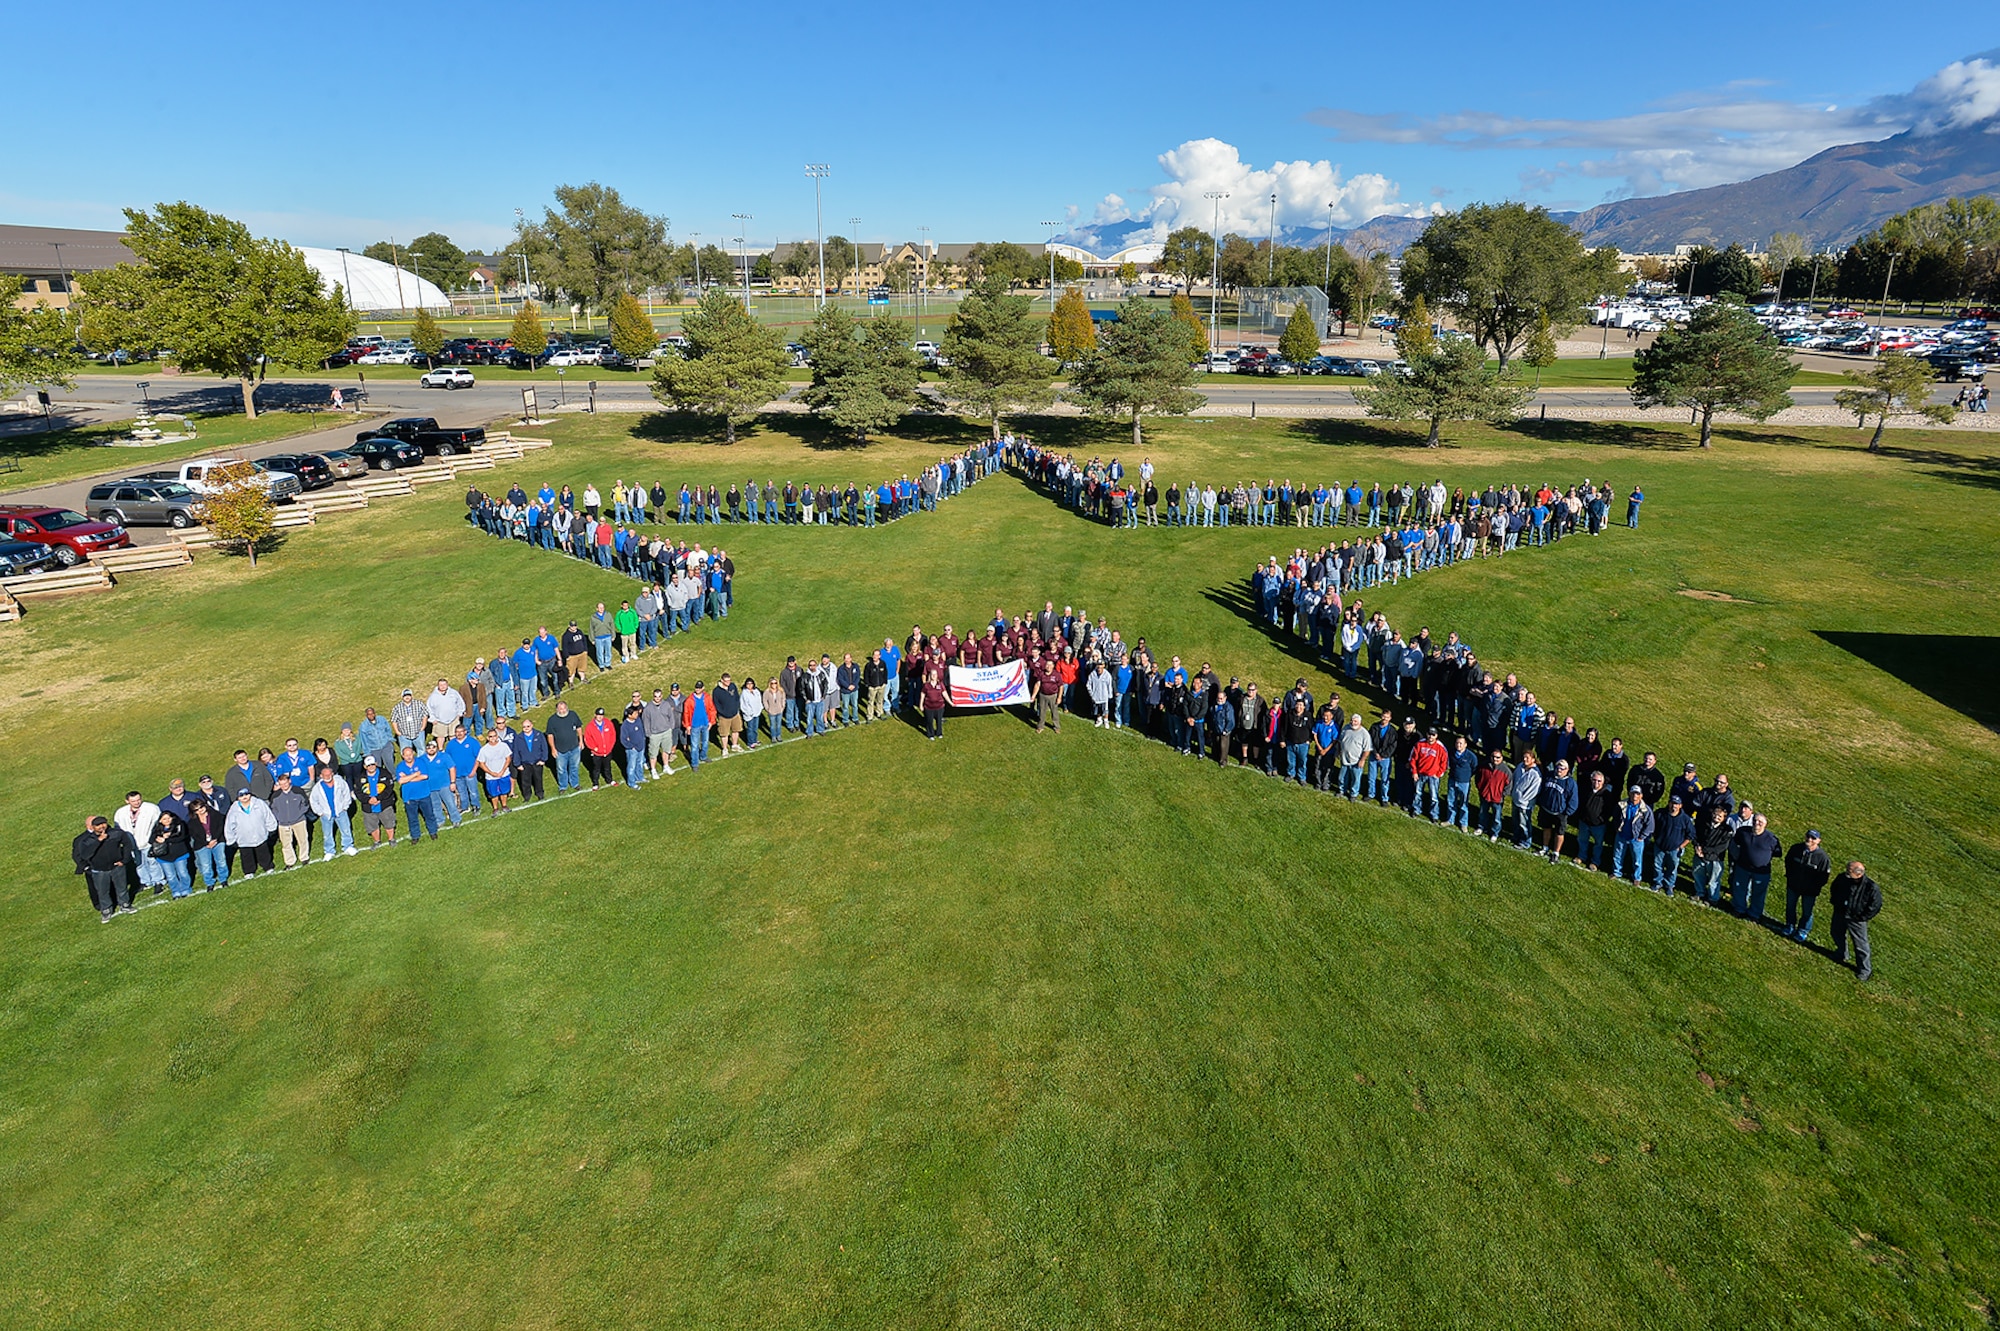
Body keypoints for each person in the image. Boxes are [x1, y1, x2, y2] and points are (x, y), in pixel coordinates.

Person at [74, 816, 141, 919]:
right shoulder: (87, 840)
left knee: (121, 887)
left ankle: (125, 905)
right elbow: (85, 855)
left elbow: (127, 844)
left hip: (116, 867)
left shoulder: (116, 833)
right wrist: (99, 841)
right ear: (93, 827)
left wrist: (124, 860)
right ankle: (106, 910)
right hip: (99, 870)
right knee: (102, 891)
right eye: (98, 825)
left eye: (103, 823)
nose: (101, 826)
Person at [1829, 861, 1882, 980]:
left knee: (1860, 945)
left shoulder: (1871, 887)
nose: (1846, 874)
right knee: (1836, 932)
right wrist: (1836, 902)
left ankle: (1865, 970)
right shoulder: (1842, 878)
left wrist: (1862, 917)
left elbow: (1875, 905)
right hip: (1841, 912)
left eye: (1849, 872)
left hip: (1856, 919)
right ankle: (1841, 953)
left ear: (1859, 874)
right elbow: (1834, 888)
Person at [1782, 829, 1832, 943]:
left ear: (1819, 841)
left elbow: (1824, 877)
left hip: (1810, 891)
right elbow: (1788, 861)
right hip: (1793, 885)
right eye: (1808, 836)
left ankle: (1803, 930)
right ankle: (1790, 925)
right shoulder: (1796, 849)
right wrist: (1790, 876)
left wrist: (1814, 886)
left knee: (1807, 911)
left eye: (1813, 838)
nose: (1809, 840)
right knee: (1790, 906)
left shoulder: (1823, 858)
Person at [1730, 812, 1780, 922]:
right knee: (1739, 889)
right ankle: (1739, 909)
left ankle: (1754, 914)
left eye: (1760, 822)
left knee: (1758, 893)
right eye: (1755, 820)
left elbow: (1777, 853)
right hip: (1743, 867)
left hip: (1761, 872)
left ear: (1765, 824)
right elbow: (1735, 842)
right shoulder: (1743, 831)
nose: (1757, 823)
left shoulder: (1771, 839)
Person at [225, 788, 278, 877]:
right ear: (238, 798)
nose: (244, 797)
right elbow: (229, 826)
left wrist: (272, 828)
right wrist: (231, 839)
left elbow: (268, 815)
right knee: (246, 855)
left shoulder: (259, 803)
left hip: (260, 834)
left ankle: (268, 866)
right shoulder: (233, 810)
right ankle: (249, 871)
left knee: (263, 852)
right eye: (241, 795)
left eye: (246, 794)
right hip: (243, 839)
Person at [308, 766, 358, 859]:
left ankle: (348, 846)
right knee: (327, 834)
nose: (327, 776)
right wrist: (320, 812)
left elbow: (346, 793)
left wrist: (345, 807)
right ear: (321, 776)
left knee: (346, 830)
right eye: (325, 775)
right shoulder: (317, 788)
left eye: (329, 774)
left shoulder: (340, 782)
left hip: (340, 811)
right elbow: (313, 801)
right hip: (326, 814)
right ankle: (329, 851)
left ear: (332, 774)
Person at [394, 743, 441, 843]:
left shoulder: (420, 762)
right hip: (409, 797)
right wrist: (415, 774)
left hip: (424, 794)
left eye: (410, 754)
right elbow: (400, 781)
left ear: (413, 753)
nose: (409, 757)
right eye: (406, 755)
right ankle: (415, 836)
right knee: (412, 818)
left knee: (429, 815)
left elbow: (424, 776)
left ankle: (433, 832)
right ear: (402, 756)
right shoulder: (400, 766)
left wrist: (407, 777)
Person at [1609, 786, 1655, 883]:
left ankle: (1636, 877)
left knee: (1637, 860)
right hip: (1622, 835)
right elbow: (1615, 816)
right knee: (1618, 855)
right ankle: (1616, 872)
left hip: (1636, 838)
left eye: (1637, 794)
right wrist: (1617, 828)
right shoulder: (1621, 804)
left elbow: (1650, 826)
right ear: (1629, 794)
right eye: (1633, 793)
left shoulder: (1646, 810)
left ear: (1641, 796)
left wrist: (1641, 837)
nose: (1635, 795)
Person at [1650, 794, 1693, 896]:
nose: (1674, 806)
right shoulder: (1660, 813)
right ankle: (1657, 882)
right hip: (1659, 846)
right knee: (1657, 866)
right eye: (1672, 803)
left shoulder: (1685, 819)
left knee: (1672, 869)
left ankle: (1669, 885)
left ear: (1680, 806)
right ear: (1669, 803)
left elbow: (1691, 835)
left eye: (1676, 804)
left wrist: (1681, 847)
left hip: (1675, 849)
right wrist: (1656, 839)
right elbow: (1652, 826)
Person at [1690, 803, 1731, 906]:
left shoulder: (1727, 830)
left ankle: (1713, 898)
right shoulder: (1704, 823)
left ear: (1724, 818)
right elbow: (1695, 836)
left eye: (1720, 816)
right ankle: (1700, 892)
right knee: (1698, 874)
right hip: (1700, 855)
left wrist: (1704, 850)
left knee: (1714, 880)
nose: (1716, 817)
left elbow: (1722, 847)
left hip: (1715, 859)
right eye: (1715, 814)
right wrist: (1696, 846)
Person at [1538, 758, 1578, 862]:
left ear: (1567, 770)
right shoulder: (1549, 775)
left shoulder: (1570, 783)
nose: (1559, 770)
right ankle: (1545, 847)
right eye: (1558, 768)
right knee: (1546, 828)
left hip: (1560, 813)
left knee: (1559, 833)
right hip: (1546, 809)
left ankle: (1556, 853)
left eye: (1562, 769)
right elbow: (1542, 788)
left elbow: (1573, 801)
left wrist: (1566, 812)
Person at [356, 755, 398, 850]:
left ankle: (391, 839)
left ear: (376, 764)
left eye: (372, 764)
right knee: (372, 825)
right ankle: (376, 841)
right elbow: (358, 792)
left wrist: (379, 798)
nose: (371, 767)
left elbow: (389, 788)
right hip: (368, 806)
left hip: (384, 804)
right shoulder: (360, 778)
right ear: (365, 766)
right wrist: (368, 800)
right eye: (368, 765)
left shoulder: (385, 773)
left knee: (388, 822)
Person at [270, 774, 312, 869]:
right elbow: (273, 809)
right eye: (281, 784)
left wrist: (299, 814)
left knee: (302, 840)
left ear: (289, 781)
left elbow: (305, 803)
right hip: (283, 824)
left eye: (285, 783)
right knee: (286, 844)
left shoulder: (298, 791)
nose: (284, 786)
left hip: (299, 821)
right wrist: (279, 818)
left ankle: (304, 858)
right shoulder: (276, 795)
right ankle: (289, 861)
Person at [186, 796, 228, 891]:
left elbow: (220, 827)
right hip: (202, 845)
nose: (200, 810)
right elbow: (195, 835)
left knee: (221, 861)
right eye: (196, 809)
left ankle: (223, 879)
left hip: (218, 841)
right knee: (205, 865)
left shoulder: (215, 815)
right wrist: (206, 843)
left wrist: (215, 839)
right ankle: (209, 883)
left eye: (201, 807)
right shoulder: (191, 823)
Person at [149, 812, 194, 899]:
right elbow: (151, 840)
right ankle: (175, 891)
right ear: (160, 821)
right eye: (164, 819)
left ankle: (185, 889)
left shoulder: (179, 825)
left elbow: (182, 837)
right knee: (170, 876)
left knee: (183, 873)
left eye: (169, 818)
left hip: (179, 854)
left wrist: (167, 839)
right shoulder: (157, 829)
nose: (167, 820)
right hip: (164, 857)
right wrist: (159, 839)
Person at [511, 716, 550, 802]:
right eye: (524, 727)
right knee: (525, 781)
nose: (526, 728)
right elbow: (516, 751)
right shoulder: (518, 738)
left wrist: (543, 759)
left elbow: (544, 748)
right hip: (525, 764)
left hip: (537, 762)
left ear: (532, 725)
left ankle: (540, 794)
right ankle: (527, 796)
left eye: (528, 726)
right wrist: (518, 764)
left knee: (538, 779)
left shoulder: (539, 735)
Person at [642, 688, 679, 777]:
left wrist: (670, 728)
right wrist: (649, 734)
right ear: (653, 697)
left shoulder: (666, 705)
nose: (657, 698)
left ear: (662, 696)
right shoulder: (648, 708)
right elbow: (645, 722)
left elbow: (671, 717)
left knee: (666, 750)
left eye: (659, 696)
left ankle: (666, 766)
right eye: (655, 696)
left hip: (666, 732)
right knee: (653, 753)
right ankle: (653, 770)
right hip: (654, 734)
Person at [478, 729, 515, 810]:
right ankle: (495, 808)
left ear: (497, 736)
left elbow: (508, 758)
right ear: (487, 738)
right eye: (491, 736)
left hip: (504, 774)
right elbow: (481, 764)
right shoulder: (484, 750)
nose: (493, 738)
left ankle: (504, 805)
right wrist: (491, 773)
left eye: (494, 736)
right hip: (491, 777)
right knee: (493, 794)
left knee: (504, 792)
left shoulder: (503, 746)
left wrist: (503, 770)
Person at [582, 707, 617, 788]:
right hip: (596, 753)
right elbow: (587, 739)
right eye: (598, 715)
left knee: (607, 767)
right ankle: (595, 783)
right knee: (596, 769)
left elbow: (613, 735)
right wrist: (594, 748)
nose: (600, 717)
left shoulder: (608, 723)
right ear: (595, 715)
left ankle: (609, 780)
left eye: (602, 715)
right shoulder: (590, 726)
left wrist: (610, 746)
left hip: (607, 751)